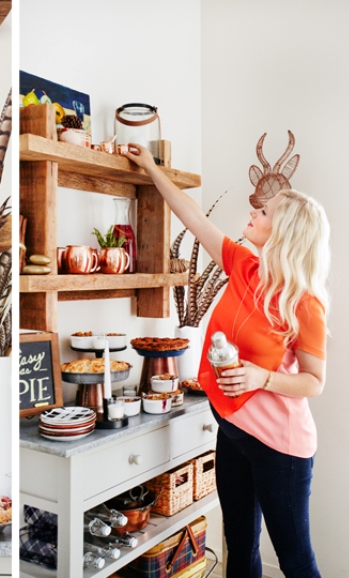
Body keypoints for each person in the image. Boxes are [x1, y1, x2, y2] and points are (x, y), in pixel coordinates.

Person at [125, 144, 330, 578]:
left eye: (266, 211)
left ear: (284, 233)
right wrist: (149, 166)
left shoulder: (305, 303)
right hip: (234, 429)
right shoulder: (244, 267)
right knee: (239, 545)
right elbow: (194, 219)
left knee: (295, 559)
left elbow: (314, 382)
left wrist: (261, 377)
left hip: (281, 447)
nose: (255, 210)